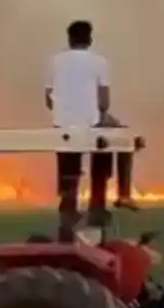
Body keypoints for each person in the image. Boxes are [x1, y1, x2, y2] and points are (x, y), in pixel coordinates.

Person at [44, 20, 137, 237]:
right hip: (90, 122)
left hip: (63, 123)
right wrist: (96, 112)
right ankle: (118, 195)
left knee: (69, 163)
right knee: (120, 135)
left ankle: (68, 207)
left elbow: (48, 99)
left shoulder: (55, 62)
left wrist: (65, 113)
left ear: (69, 39)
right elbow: (104, 101)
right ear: (90, 39)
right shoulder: (99, 62)